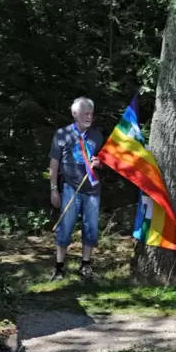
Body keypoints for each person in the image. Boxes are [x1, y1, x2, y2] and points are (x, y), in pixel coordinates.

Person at [49, 97, 105, 280]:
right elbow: (54, 162)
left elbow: (104, 160)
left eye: (91, 114)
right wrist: (53, 189)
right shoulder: (62, 134)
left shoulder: (96, 135)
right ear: (75, 114)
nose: (89, 117)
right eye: (85, 114)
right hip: (70, 188)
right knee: (65, 227)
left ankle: (86, 265)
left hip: (92, 189)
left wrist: (99, 162)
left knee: (91, 228)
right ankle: (59, 267)